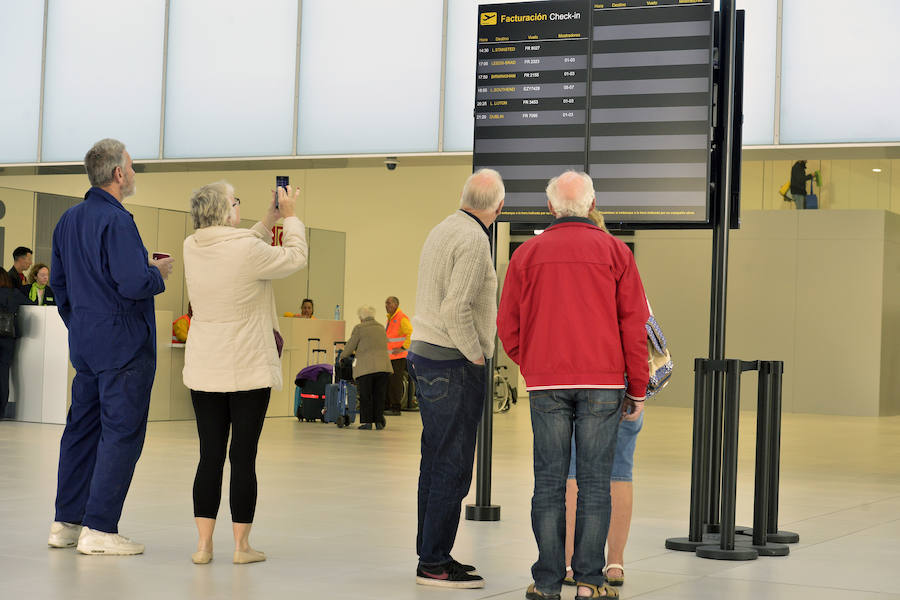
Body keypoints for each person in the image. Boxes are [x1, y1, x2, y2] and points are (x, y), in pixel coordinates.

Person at [497, 171, 649, 600]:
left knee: (548, 482)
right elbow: (634, 325)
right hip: (603, 384)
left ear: (549, 208)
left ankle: (547, 583)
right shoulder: (616, 252)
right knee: (596, 483)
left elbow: (508, 326)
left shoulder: (526, 255)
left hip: (547, 385)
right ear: (592, 203)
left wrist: (533, 365)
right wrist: (636, 387)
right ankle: (589, 581)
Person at [47, 138, 174, 555]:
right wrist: (157, 273)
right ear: (119, 174)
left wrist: (80, 324)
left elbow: (60, 286)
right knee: (121, 433)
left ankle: (66, 522)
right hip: (124, 347)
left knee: (81, 432)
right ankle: (100, 528)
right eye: (133, 167)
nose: (134, 174)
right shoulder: (118, 222)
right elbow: (134, 282)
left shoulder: (67, 221)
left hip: (86, 345)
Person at [183, 181, 307, 565]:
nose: (239, 205)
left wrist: (266, 219)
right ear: (225, 210)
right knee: (243, 456)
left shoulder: (193, 246)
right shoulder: (248, 250)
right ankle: (241, 547)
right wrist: (289, 218)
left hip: (205, 367)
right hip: (248, 368)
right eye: (236, 200)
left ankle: (204, 546)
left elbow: (235, 248)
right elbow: (294, 257)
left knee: (209, 456)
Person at [408, 168, 505, 589]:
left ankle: (430, 553)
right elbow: (456, 309)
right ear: (498, 208)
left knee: (434, 461)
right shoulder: (473, 239)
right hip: (452, 362)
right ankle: (434, 563)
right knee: (453, 465)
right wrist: (478, 358)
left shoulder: (443, 228)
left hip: (424, 356)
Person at [560, 209, 644, 589]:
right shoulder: (620, 262)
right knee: (618, 472)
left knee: (573, 475)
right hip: (616, 385)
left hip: (564, 383)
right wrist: (637, 388)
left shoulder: (559, 275)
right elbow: (637, 328)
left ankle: (564, 564)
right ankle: (615, 563)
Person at [341, 305, 392, 430]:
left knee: (366, 395)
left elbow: (350, 346)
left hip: (366, 368)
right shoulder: (381, 327)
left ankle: (367, 423)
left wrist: (342, 356)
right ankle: (379, 421)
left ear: (361, 317)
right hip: (383, 367)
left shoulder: (359, 328)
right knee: (379, 395)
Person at [0, 269, 34, 420]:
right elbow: (31, 305)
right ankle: (1, 411)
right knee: (3, 374)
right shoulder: (14, 293)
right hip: (8, 339)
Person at [384, 296, 412, 415]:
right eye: (385, 303)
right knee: (389, 382)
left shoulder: (401, 318)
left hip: (398, 357)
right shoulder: (391, 319)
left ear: (396, 304)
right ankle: (388, 405)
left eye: (389, 303)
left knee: (395, 383)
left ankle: (396, 407)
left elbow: (410, 332)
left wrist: (403, 348)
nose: (386, 305)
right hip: (390, 357)